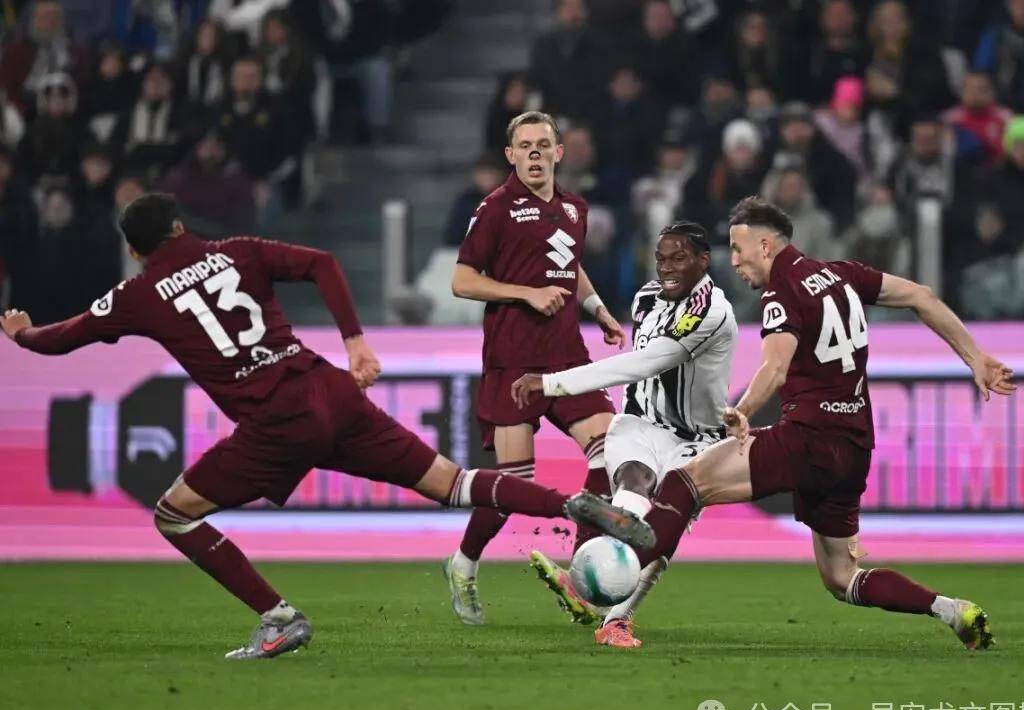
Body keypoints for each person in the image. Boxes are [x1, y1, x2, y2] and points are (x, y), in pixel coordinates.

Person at [0, 193, 654, 660]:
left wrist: (22, 333)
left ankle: (279, 617)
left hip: (275, 421)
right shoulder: (239, 250)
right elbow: (321, 263)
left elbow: (63, 337)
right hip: (330, 391)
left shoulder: (138, 293)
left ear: (135, 249)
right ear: (180, 225)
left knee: (174, 514)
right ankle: (567, 503)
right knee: (453, 482)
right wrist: (356, 342)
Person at [571, 196, 1016, 649]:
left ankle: (618, 572)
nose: (734, 261)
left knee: (685, 482)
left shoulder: (782, 292)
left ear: (765, 246)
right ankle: (952, 610)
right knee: (842, 577)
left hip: (806, 439)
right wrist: (975, 358)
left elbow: (776, 367)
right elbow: (922, 296)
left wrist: (743, 411)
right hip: (854, 449)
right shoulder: (843, 274)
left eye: (739, 249)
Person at [509, 221, 737, 647]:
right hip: (641, 423)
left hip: (697, 442)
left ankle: (608, 607)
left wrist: (553, 382)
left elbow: (646, 362)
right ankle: (602, 568)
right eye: (661, 258)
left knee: (659, 534)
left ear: (704, 260)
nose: (667, 268)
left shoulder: (711, 310)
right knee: (635, 481)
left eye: (679, 258)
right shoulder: (646, 298)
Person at [447, 111, 627, 625]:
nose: (533, 153)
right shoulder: (495, 208)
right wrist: (526, 293)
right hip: (512, 362)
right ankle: (462, 564)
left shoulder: (574, 208)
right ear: (510, 155)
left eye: (542, 145)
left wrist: (597, 309)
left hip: (569, 359)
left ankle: (580, 570)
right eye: (523, 145)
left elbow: (570, 266)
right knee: (514, 486)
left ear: (558, 153)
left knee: (611, 452)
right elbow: (462, 280)